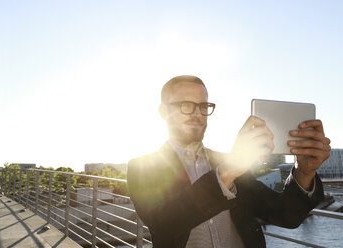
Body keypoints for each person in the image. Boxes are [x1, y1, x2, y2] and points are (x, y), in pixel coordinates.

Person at [127, 75, 331, 248]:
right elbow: (164, 223)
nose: (197, 113)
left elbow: (287, 215)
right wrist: (225, 174)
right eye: (186, 105)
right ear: (163, 112)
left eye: (203, 105)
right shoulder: (142, 167)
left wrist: (304, 172)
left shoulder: (230, 163)